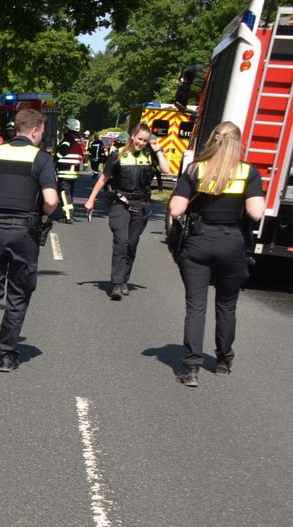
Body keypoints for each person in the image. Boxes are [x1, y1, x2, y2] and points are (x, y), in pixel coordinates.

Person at [167, 121, 265, 387]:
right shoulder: (248, 172)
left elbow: (176, 210)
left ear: (212, 139)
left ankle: (191, 369)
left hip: (199, 242)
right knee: (227, 305)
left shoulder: (195, 169)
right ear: (239, 142)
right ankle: (223, 360)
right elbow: (256, 213)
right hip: (232, 243)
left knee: (195, 307)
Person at [0, 108, 59, 380]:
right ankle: (7, 354)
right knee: (18, 292)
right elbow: (51, 201)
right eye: (41, 131)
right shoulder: (41, 159)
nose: (41, 136)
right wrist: (40, 212)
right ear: (34, 131)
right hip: (23, 234)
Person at [84, 122, 169, 300]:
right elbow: (103, 179)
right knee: (121, 241)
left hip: (141, 205)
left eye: (145, 140)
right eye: (139, 139)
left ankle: (124, 280)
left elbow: (165, 169)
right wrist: (91, 199)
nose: (141, 143)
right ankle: (116, 283)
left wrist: (158, 149)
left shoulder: (149, 155)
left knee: (131, 243)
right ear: (132, 136)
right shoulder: (118, 155)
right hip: (120, 203)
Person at [53, 117, 86, 223]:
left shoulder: (69, 138)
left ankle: (68, 216)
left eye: (65, 127)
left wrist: (54, 159)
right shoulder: (78, 139)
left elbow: (62, 151)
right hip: (73, 170)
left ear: (68, 128)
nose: (64, 129)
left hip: (66, 170)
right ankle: (69, 214)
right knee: (69, 193)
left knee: (64, 193)